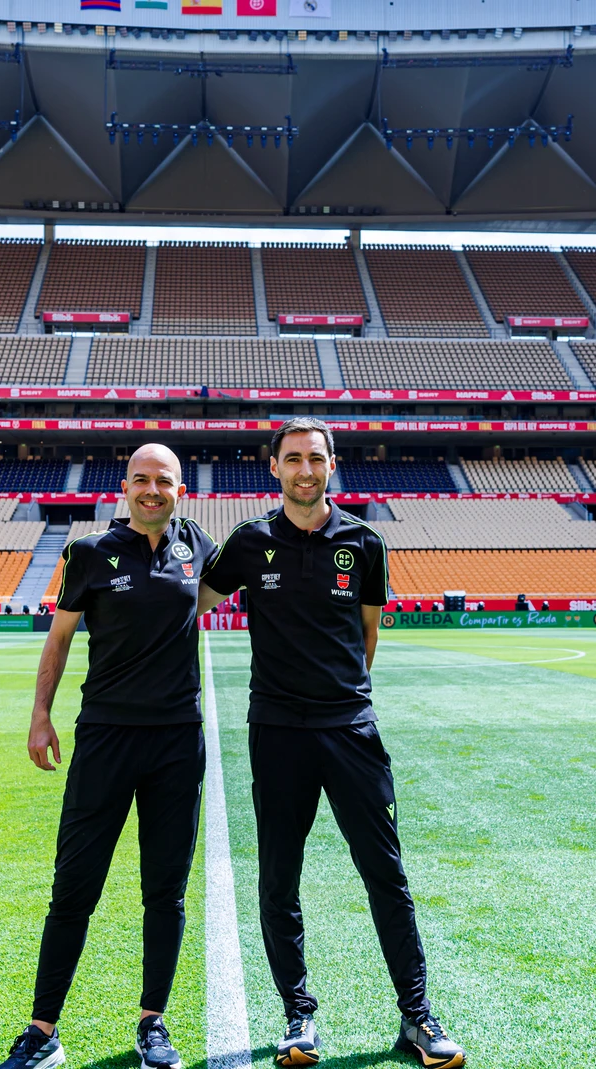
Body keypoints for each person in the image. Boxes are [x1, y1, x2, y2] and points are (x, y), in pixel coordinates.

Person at [202, 417, 465, 1069]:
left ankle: (416, 1015)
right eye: (293, 458)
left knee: (387, 875)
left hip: (352, 731)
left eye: (315, 458)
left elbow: (367, 635)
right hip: (278, 733)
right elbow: (194, 601)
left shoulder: (365, 542)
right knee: (278, 878)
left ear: (332, 464)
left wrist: (341, 696)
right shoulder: (250, 540)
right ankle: (298, 1017)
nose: (305, 469)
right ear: (274, 467)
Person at [0, 444, 221, 1069]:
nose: (153, 491)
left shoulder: (197, 546)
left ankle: (154, 1023)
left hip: (178, 741)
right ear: (125, 487)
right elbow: (60, 637)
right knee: (73, 887)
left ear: (181, 488)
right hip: (104, 737)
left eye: (165, 481)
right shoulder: (89, 552)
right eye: (142, 480)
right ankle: (42, 1031)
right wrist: (41, 715)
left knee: (165, 891)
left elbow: (222, 594)